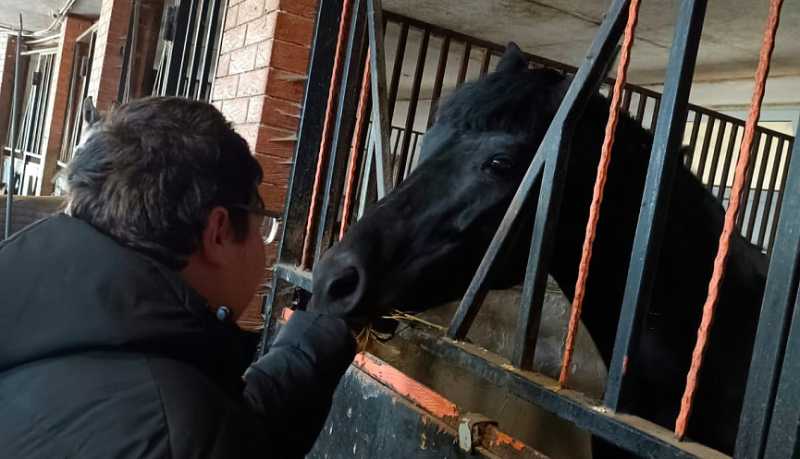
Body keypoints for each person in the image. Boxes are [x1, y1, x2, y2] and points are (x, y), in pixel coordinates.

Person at [0, 97, 367, 458]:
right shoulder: (180, 431)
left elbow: (242, 427)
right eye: (262, 227)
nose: (264, 245)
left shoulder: (51, 334)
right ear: (219, 232)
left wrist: (321, 330)